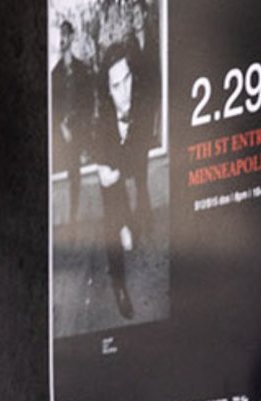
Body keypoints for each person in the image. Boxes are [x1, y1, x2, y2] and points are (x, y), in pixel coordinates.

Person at [95, 40, 150, 320]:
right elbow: (107, 175)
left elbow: (140, 152)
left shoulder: (141, 105)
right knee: (113, 228)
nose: (124, 91)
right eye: (116, 86)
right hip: (109, 170)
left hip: (130, 164)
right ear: (107, 90)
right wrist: (121, 226)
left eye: (127, 80)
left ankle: (134, 223)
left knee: (136, 223)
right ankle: (119, 285)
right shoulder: (102, 121)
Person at [51, 19, 95, 227]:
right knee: (67, 171)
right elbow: (52, 106)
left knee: (75, 173)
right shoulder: (54, 74)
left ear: (73, 37)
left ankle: (73, 218)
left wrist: (83, 130)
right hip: (62, 132)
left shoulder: (81, 69)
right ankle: (66, 218)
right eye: (61, 34)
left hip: (79, 130)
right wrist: (61, 127)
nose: (63, 38)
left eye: (67, 34)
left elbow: (88, 102)